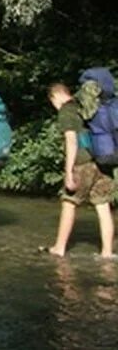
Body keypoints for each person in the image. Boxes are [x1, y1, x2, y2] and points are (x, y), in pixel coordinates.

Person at [44, 82, 114, 258]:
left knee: (69, 203)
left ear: (56, 96)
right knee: (103, 205)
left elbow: (71, 141)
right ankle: (107, 252)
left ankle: (59, 248)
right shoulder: (93, 107)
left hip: (83, 163)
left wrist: (68, 172)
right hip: (105, 161)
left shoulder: (67, 111)